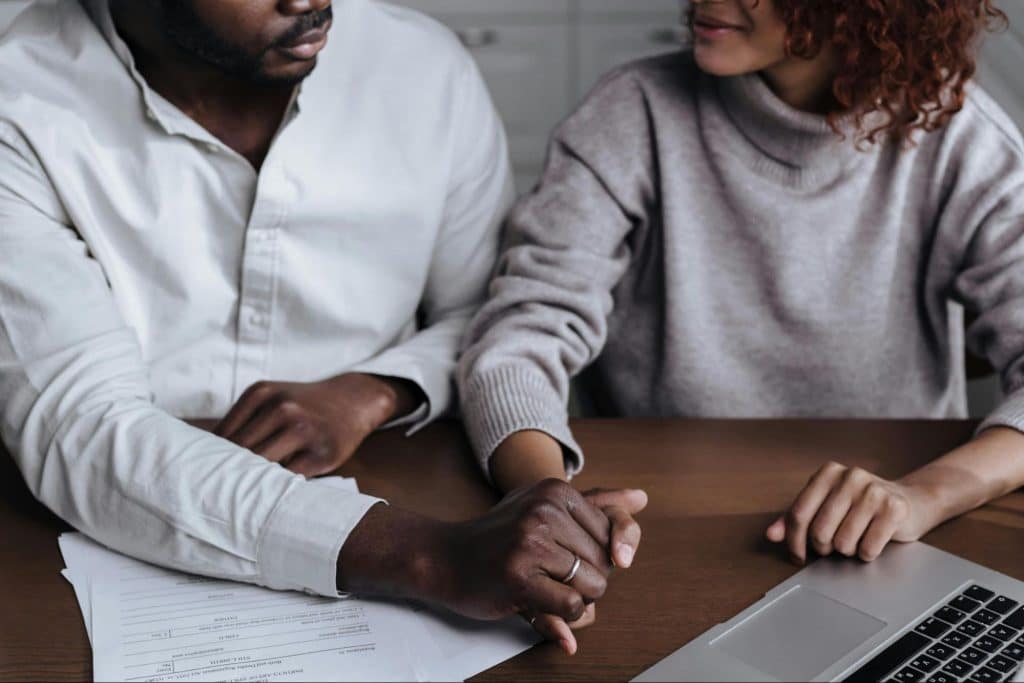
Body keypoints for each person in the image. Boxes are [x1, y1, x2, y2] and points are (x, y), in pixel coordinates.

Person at [0, 0, 645, 654]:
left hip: (398, 475)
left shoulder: (424, 68)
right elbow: (80, 426)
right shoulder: (18, 98)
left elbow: (484, 313)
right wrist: (429, 555)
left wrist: (379, 389)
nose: (311, 2)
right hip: (90, 550)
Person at [458, 0, 1024, 566]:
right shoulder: (631, 114)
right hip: (655, 532)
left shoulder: (962, 140)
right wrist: (546, 501)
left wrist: (923, 496)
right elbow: (519, 339)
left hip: (889, 544)